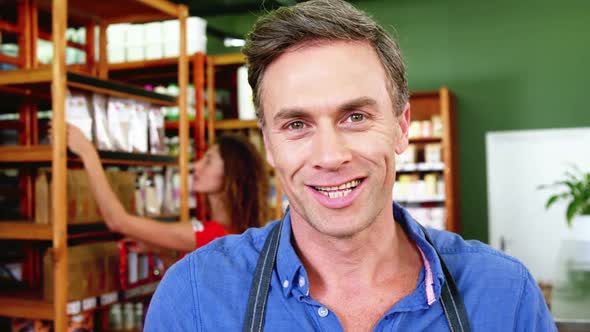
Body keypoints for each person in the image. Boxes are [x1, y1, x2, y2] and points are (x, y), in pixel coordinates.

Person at [145, 0, 556, 331]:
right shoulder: (195, 297)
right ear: (269, 144)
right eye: (296, 124)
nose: (330, 156)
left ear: (401, 127)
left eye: (355, 117)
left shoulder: (504, 295)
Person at [65, 124, 270, 252]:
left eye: (208, 160)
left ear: (231, 174)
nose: (195, 166)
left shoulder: (212, 235)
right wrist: (160, 249)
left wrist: (87, 152)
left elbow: (117, 221)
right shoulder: (230, 232)